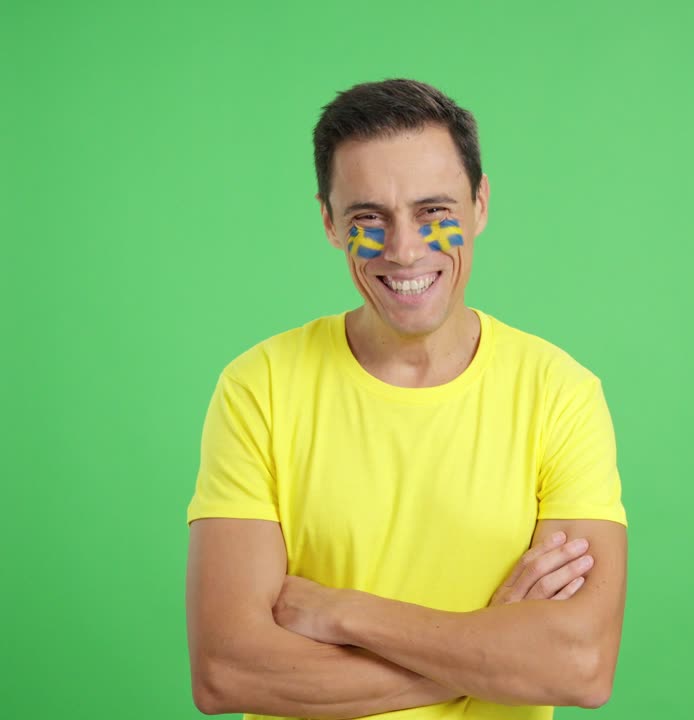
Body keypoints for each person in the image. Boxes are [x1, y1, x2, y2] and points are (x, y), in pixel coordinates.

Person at [184, 78, 628, 720]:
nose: (404, 248)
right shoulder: (259, 388)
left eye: (433, 211)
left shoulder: (560, 394)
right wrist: (491, 647)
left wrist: (345, 613)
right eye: (369, 218)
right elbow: (226, 673)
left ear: (480, 204)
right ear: (330, 223)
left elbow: (580, 667)